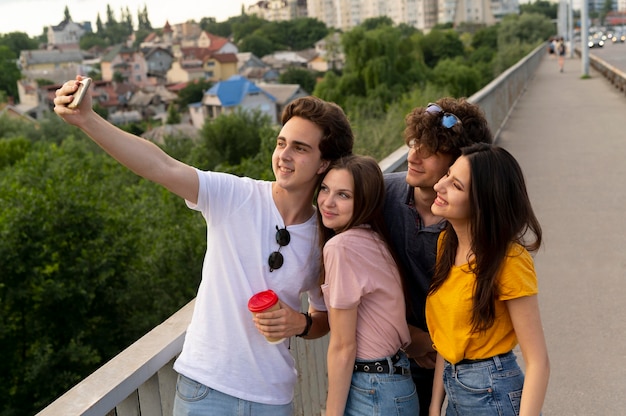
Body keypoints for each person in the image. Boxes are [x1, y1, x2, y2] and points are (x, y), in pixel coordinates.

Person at [53, 76, 354, 415]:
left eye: (300, 148)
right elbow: (160, 165)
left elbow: (325, 316)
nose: (283, 155)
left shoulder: (323, 237)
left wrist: (299, 324)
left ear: (324, 163)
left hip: (272, 397)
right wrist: (87, 120)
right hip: (205, 390)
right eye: (281, 142)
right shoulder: (235, 196)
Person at [383, 98, 492, 415]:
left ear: (460, 163)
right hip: (395, 357)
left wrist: (435, 341)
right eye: (415, 143)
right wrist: (408, 336)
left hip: (464, 360)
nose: (413, 156)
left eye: (430, 150)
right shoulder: (380, 195)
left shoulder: (476, 223)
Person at [427, 143, 550, 416]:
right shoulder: (446, 243)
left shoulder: (509, 260)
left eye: (455, 185)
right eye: (447, 174)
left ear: (483, 201)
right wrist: (436, 404)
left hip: (493, 392)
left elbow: (538, 361)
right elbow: (447, 338)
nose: (439, 185)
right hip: (455, 390)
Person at [316, 154, 419, 416]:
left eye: (343, 195)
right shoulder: (374, 239)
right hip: (395, 383)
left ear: (364, 201)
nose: (328, 202)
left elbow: (343, 346)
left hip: (372, 390)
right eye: (325, 189)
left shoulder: (341, 247)